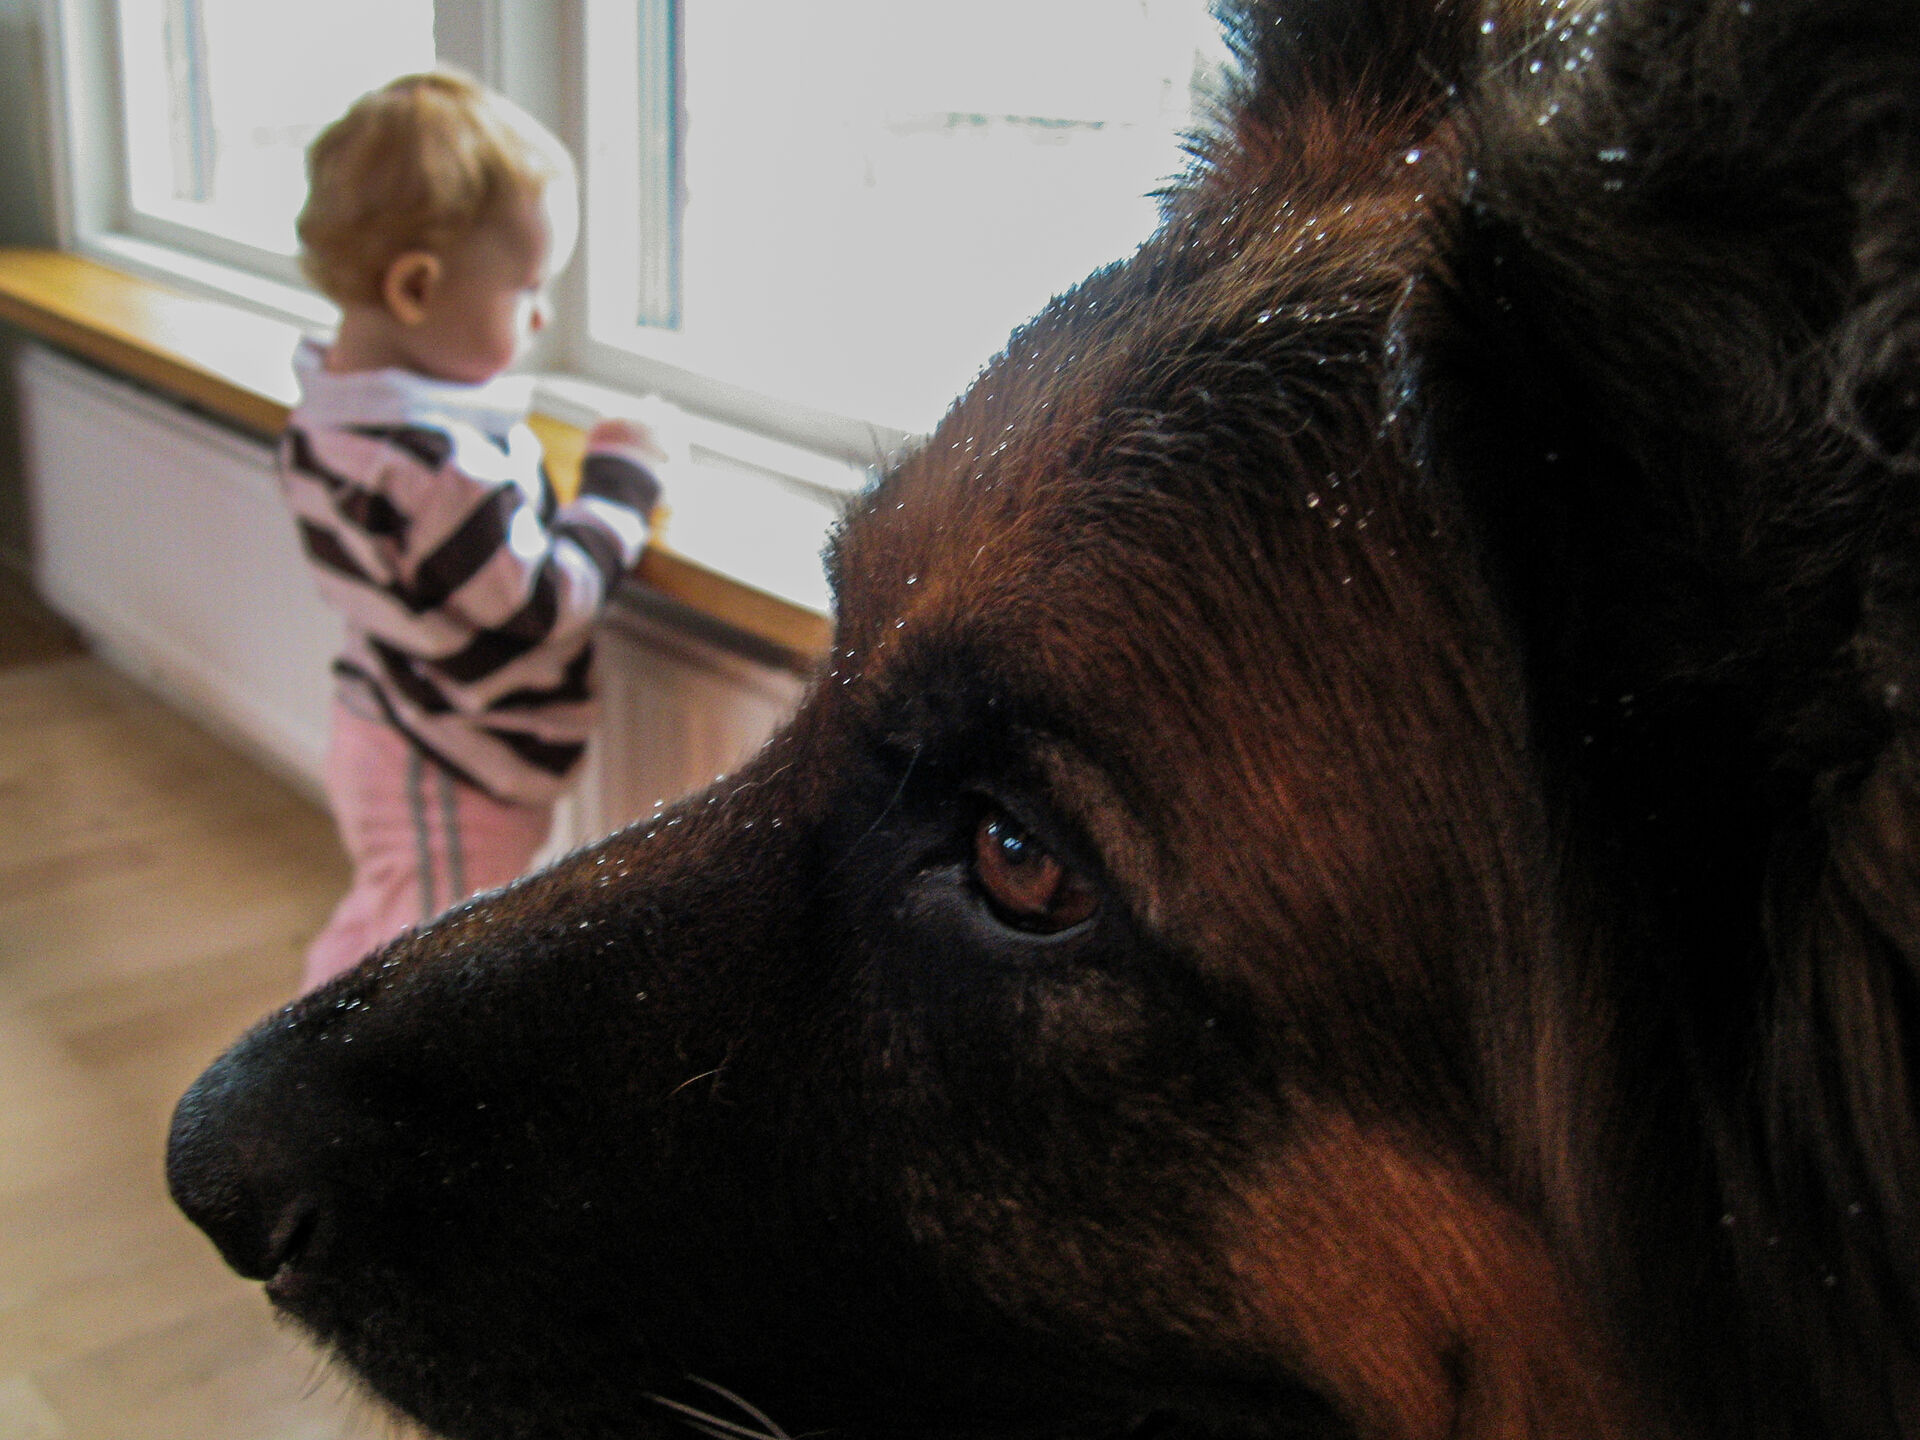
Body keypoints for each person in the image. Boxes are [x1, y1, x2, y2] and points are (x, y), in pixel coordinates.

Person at [284, 71, 665, 991]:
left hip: (405, 729)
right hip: (447, 767)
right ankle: (340, 1062)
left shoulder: (338, 419)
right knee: (426, 967)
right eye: (527, 288)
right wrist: (623, 481)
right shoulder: (434, 465)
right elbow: (545, 605)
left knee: (399, 921)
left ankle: (320, 1048)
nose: (541, 316)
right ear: (417, 288)